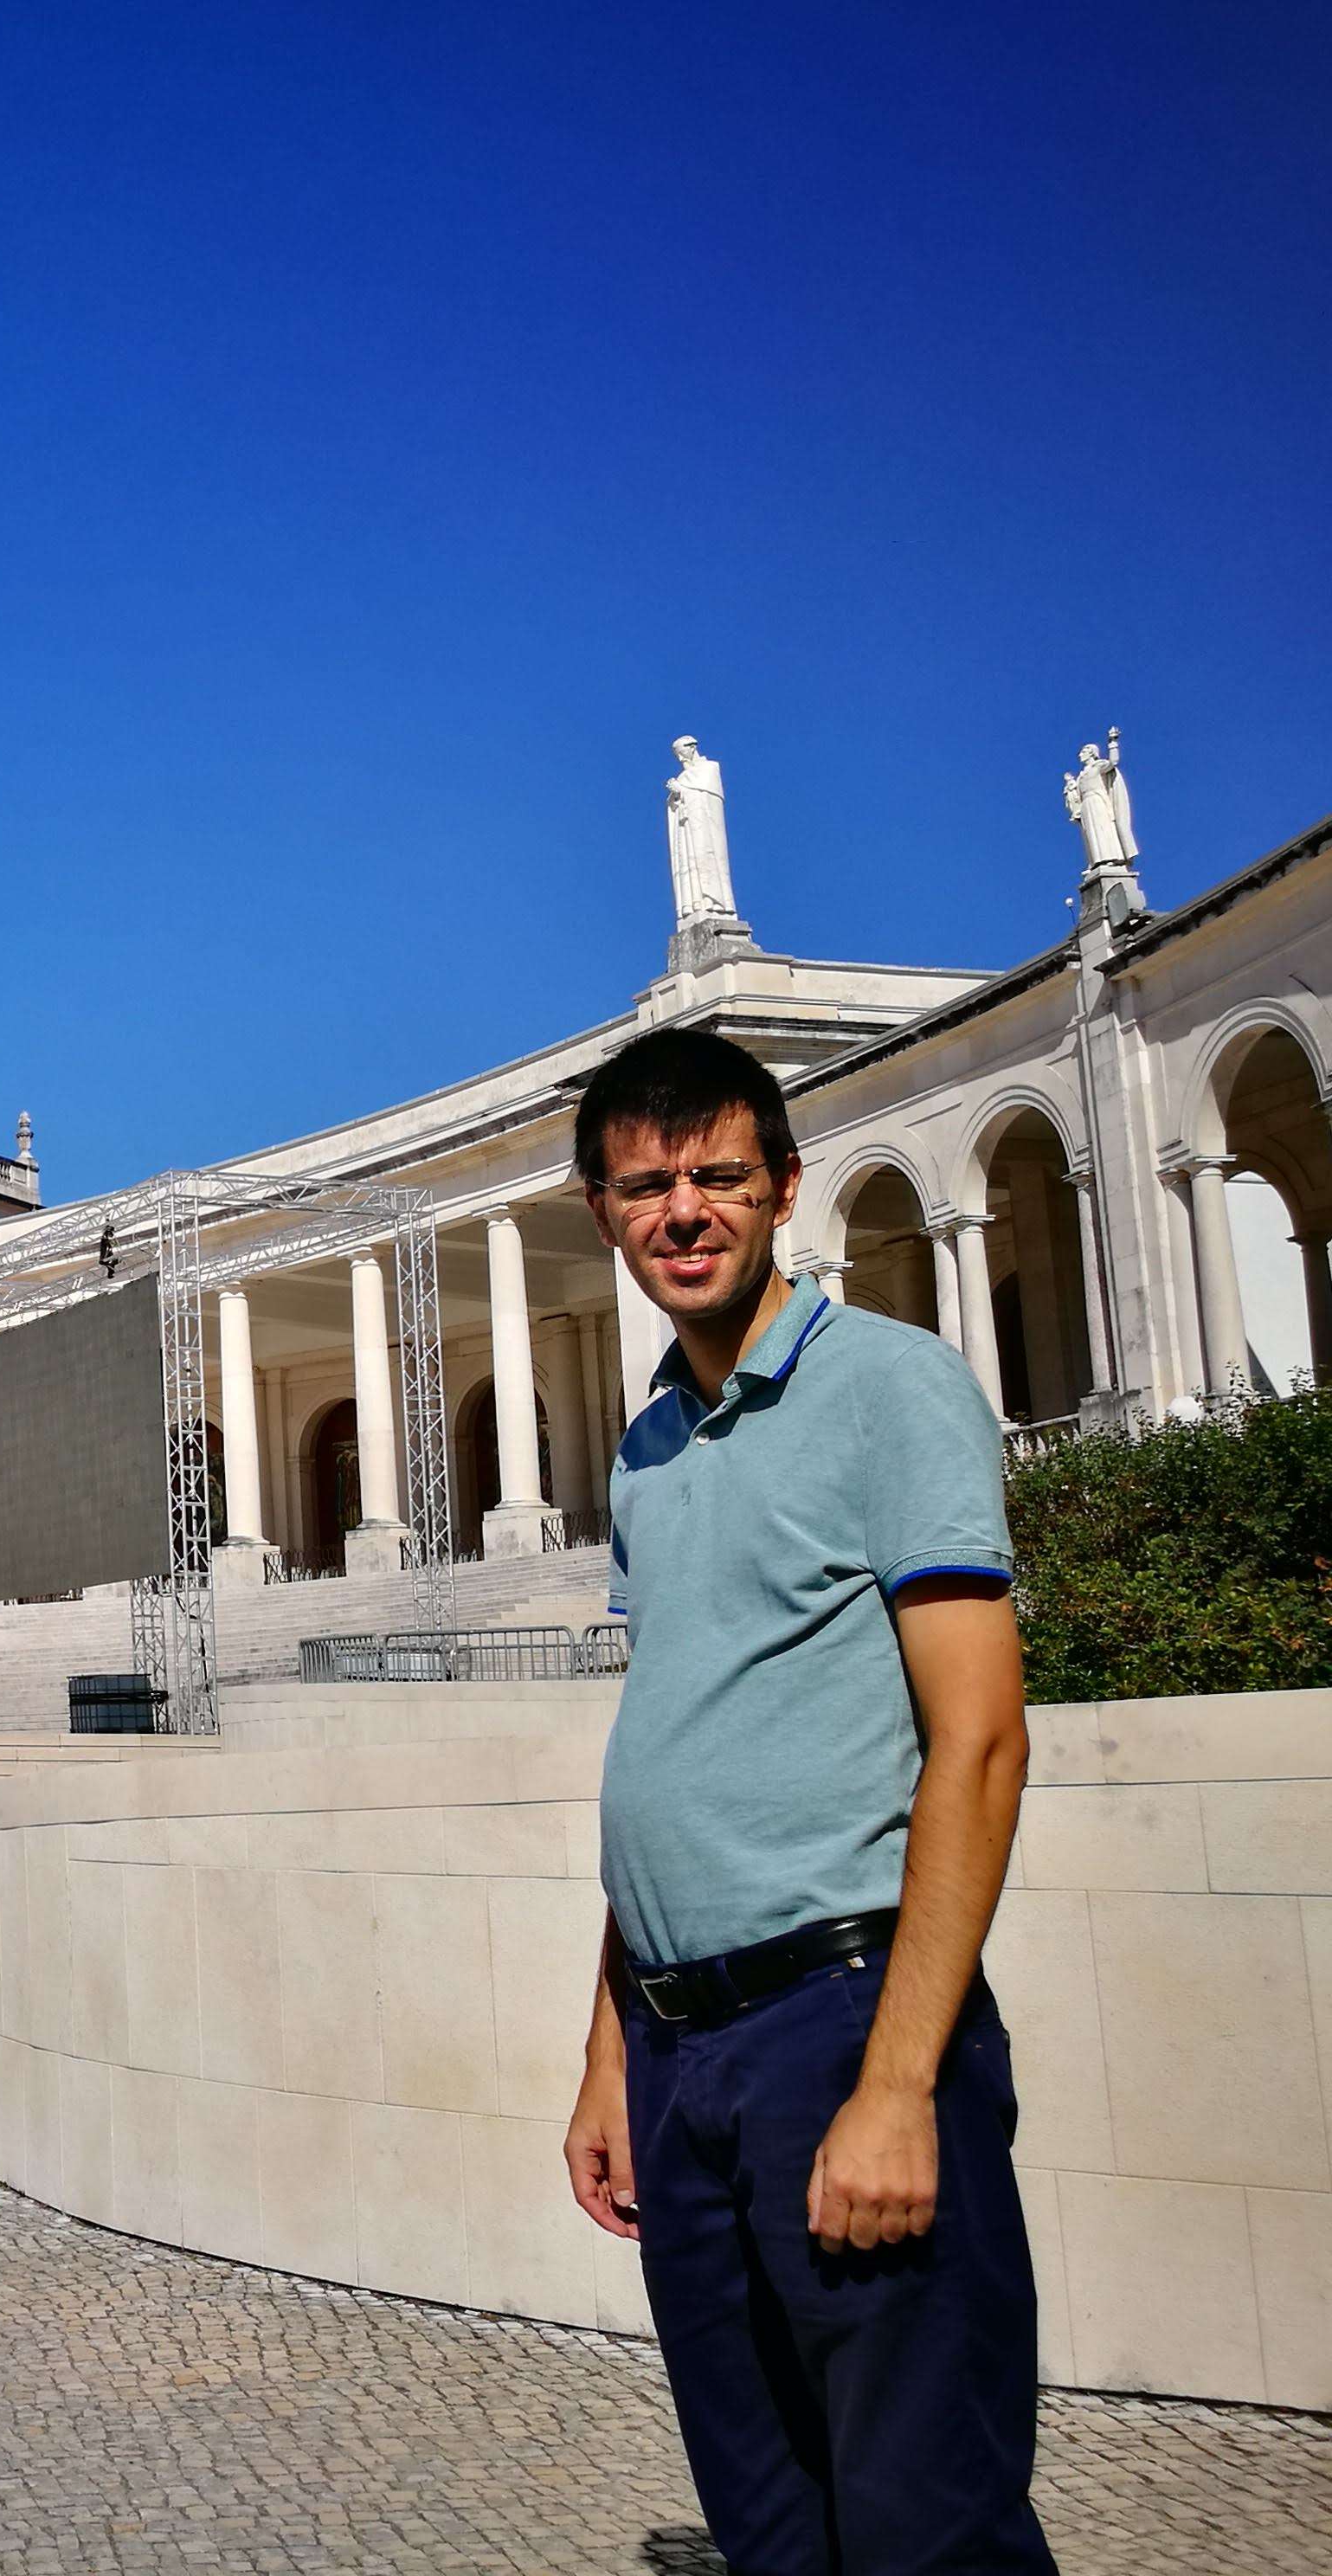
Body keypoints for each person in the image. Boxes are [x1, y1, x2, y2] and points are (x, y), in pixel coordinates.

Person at [561, 1027, 1049, 2575]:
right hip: (675, 2046)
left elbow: (976, 1743)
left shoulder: (889, 1387)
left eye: (715, 1173)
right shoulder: (643, 1449)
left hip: (839, 2021)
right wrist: (605, 2056)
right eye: (644, 1185)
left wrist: (897, 2085)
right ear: (601, 1212)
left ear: (780, 1188)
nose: (681, 1210)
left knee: (922, 2520)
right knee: (766, 2516)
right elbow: (673, 1745)